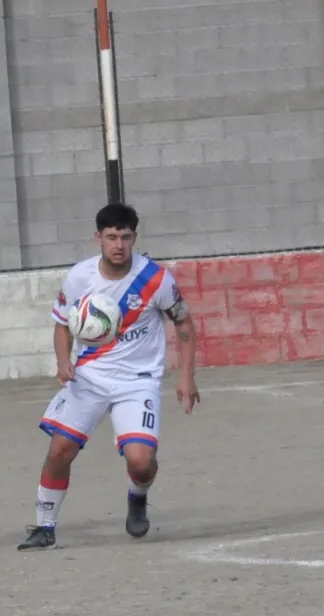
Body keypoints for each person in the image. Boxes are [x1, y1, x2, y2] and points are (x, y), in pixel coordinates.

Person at [17, 202, 200, 551]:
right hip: (90, 376)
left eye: (126, 237)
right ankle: (44, 527)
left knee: (142, 463)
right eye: (111, 237)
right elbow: (61, 324)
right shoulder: (80, 277)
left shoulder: (156, 280)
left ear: (135, 237)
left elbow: (184, 323)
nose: (119, 245)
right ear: (97, 237)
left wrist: (187, 377)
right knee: (59, 449)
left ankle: (137, 495)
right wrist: (63, 361)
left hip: (138, 381)